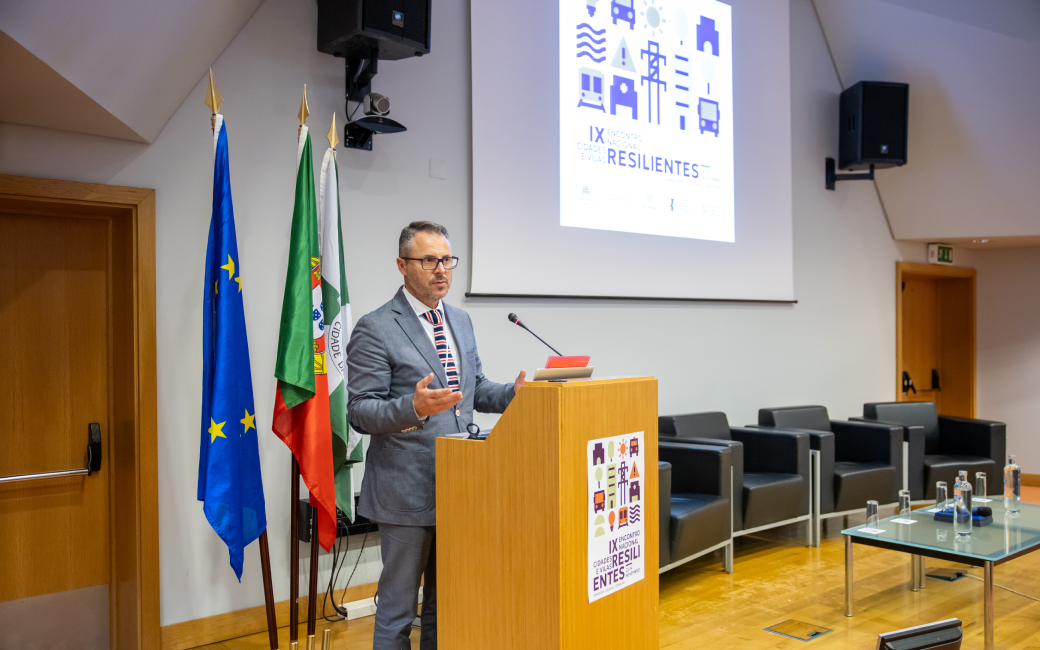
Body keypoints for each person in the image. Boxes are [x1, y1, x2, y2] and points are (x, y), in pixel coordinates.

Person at [346, 221, 525, 650]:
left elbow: (473, 389)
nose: (441, 270)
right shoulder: (376, 327)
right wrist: (412, 408)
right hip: (405, 491)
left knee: (446, 606)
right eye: (429, 260)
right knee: (396, 612)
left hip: (460, 486)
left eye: (446, 260)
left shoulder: (459, 320)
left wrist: (515, 394)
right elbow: (359, 411)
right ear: (402, 266)